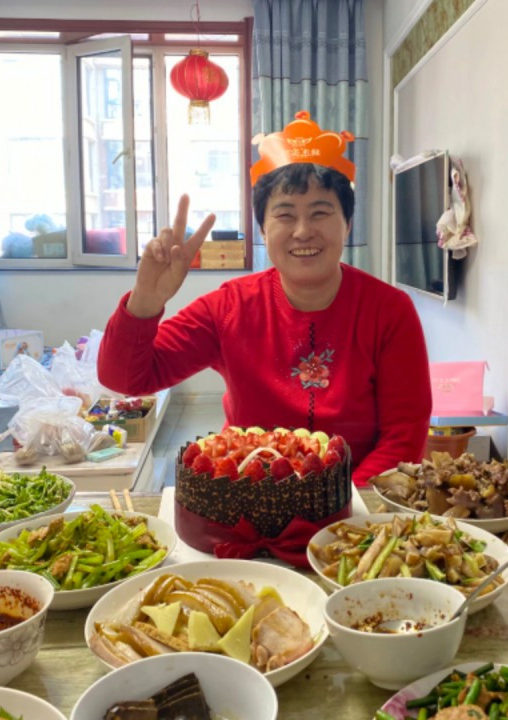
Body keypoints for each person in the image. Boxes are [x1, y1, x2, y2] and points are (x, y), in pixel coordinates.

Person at [97, 112, 432, 484]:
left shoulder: (389, 311)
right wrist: (145, 302)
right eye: (285, 215)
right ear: (262, 229)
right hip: (248, 496)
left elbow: (404, 435)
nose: (303, 231)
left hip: (353, 505)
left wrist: (342, 505)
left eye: (320, 213)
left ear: (348, 225)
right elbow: (125, 378)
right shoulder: (229, 308)